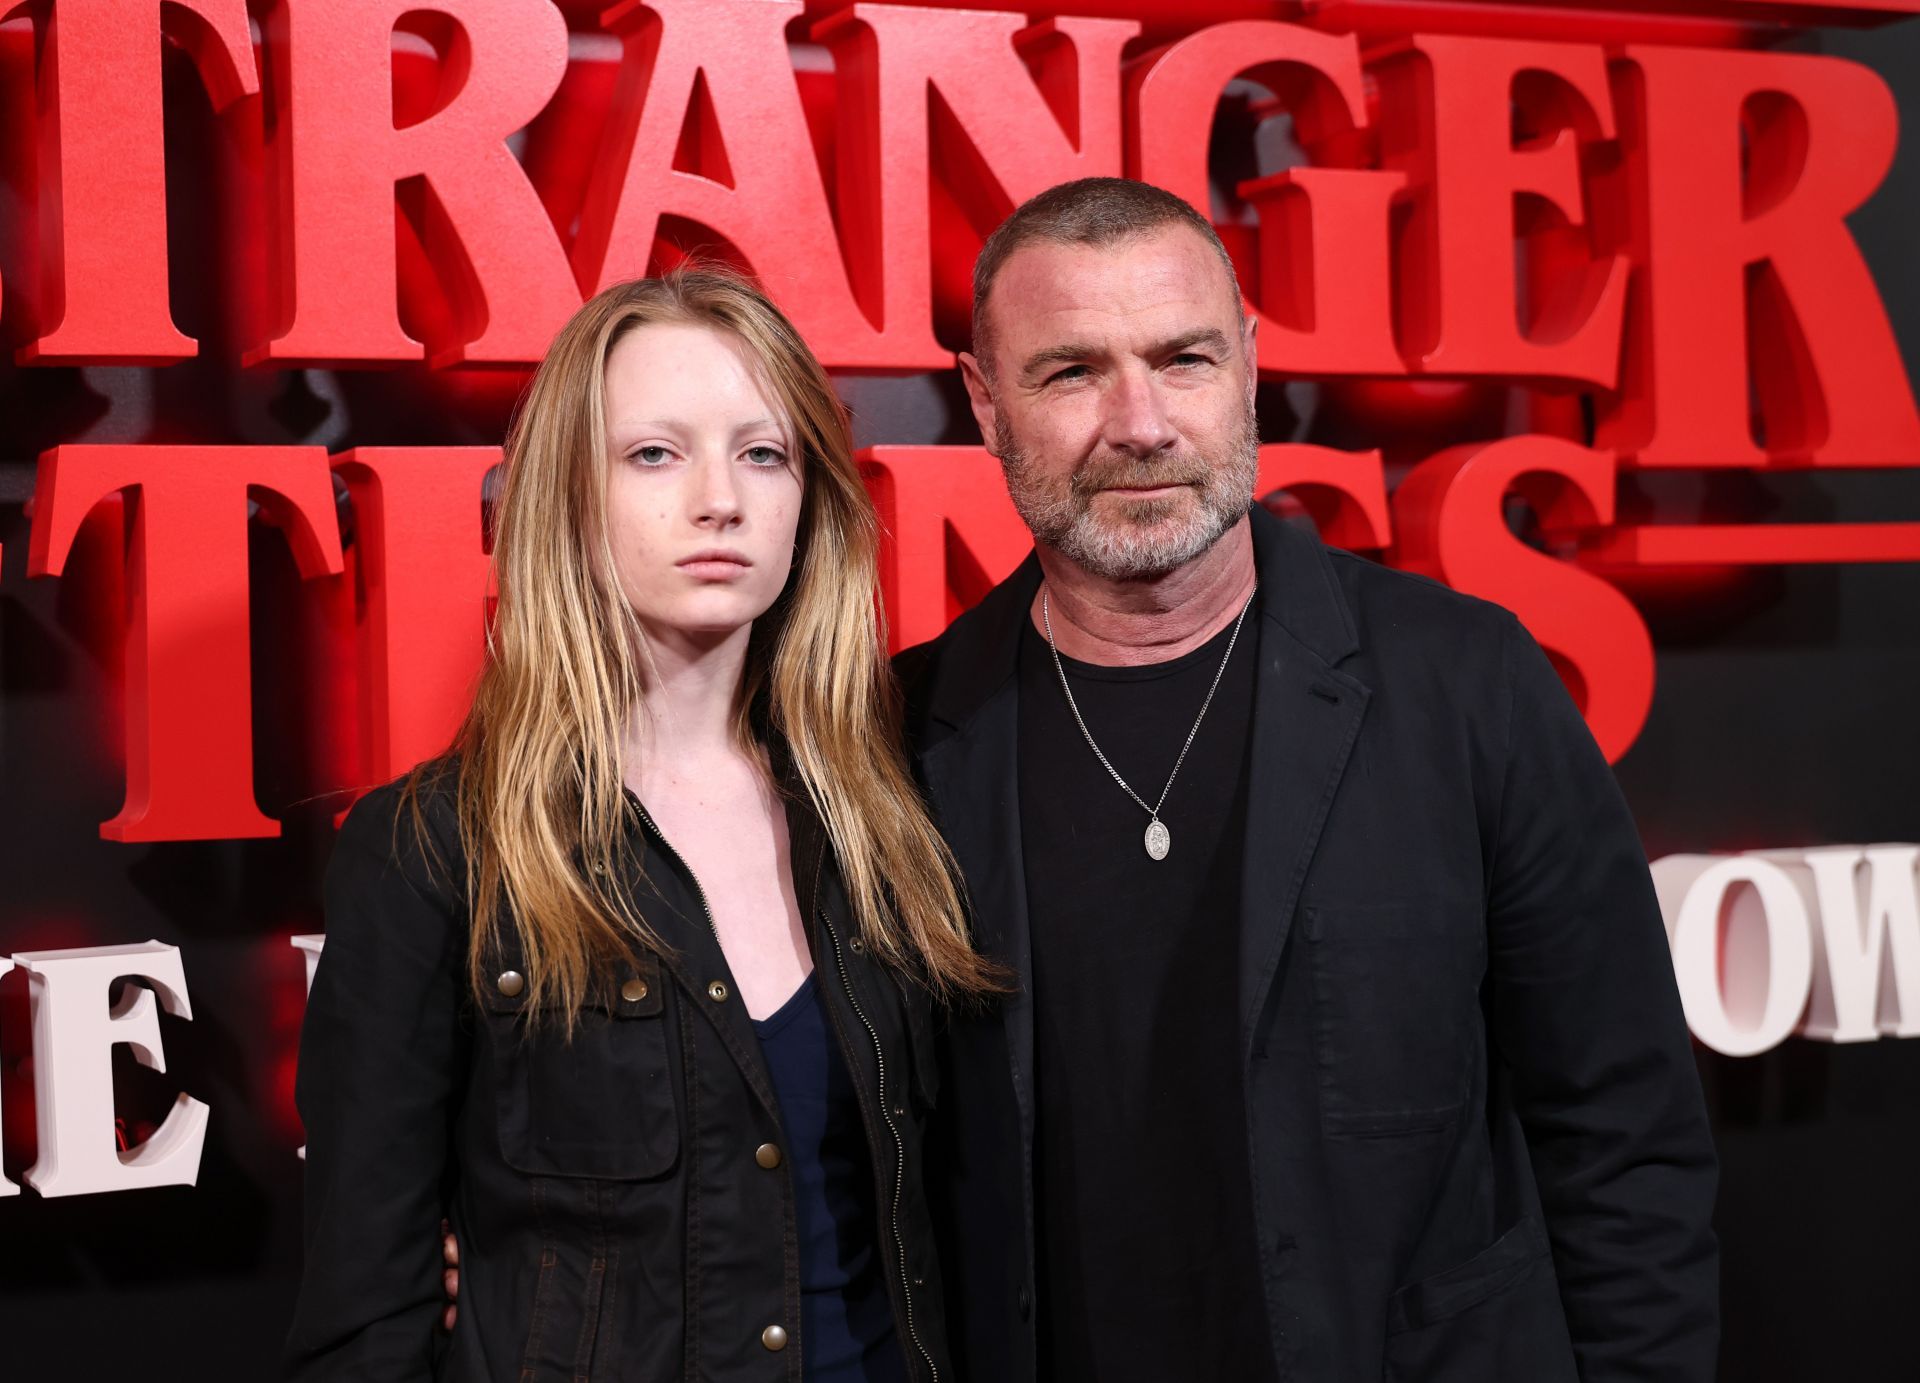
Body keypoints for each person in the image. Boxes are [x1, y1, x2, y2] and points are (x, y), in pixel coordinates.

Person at [899, 178, 1720, 1382]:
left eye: (1182, 359)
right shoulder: (894, 735)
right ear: (986, 402)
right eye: (1070, 373)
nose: (1140, 422)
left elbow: (1625, 1140)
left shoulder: (1468, 684)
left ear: (1249, 364)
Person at [286, 269, 996, 1383]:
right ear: (570, 493)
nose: (721, 500)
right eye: (654, 454)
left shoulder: (894, 809)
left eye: (764, 454)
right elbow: (359, 1314)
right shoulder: (437, 851)